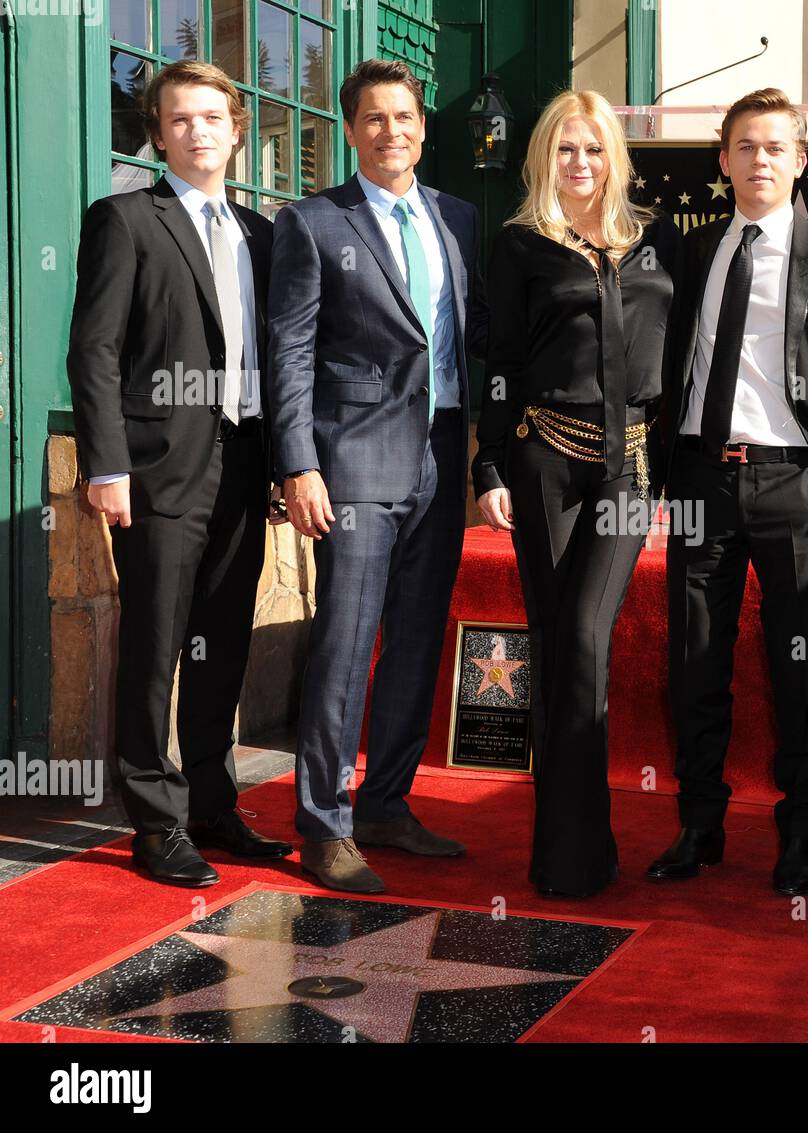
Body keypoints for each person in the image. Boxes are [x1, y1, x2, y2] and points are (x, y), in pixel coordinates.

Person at [649, 88, 808, 897]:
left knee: (801, 666)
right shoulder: (691, 250)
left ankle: (800, 834)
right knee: (695, 660)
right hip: (700, 477)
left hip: (794, 482)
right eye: (745, 146)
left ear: (799, 162)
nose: (760, 160)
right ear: (723, 161)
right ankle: (698, 824)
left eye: (775, 147)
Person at [67, 61, 290, 886]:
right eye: (181, 119)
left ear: (236, 129)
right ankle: (154, 822)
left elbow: (267, 355)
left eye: (213, 117)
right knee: (157, 644)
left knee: (220, 644)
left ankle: (210, 801)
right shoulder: (125, 219)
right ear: (160, 134)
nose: (199, 131)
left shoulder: (261, 233)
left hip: (242, 467)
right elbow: (93, 350)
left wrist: (274, 463)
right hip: (157, 471)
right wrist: (108, 464)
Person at [268, 59, 487, 893]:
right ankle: (324, 821)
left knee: (417, 641)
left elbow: (473, 338)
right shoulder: (314, 223)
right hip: (353, 461)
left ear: (423, 127)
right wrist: (298, 461)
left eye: (404, 117)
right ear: (351, 131)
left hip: (442, 454)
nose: (391, 132)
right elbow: (288, 351)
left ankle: (388, 804)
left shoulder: (460, 218)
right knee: (345, 643)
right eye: (373, 119)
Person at [474, 90, 681, 898]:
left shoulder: (658, 241)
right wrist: (488, 463)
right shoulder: (522, 244)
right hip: (544, 461)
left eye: (594, 149)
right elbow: (498, 357)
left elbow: (688, 350)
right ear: (544, 161)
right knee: (557, 644)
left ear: (614, 159)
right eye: (565, 150)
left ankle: (576, 845)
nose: (581, 163)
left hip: (630, 464)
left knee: (586, 638)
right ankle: (569, 853)